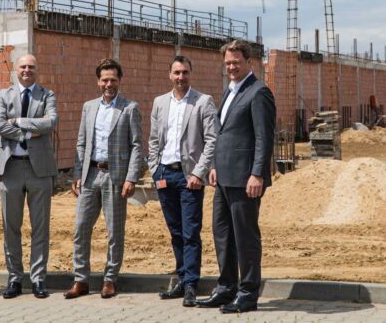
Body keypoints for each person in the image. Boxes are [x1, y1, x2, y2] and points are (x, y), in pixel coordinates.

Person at [196, 39, 275, 314]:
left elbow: (264, 138)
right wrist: (215, 165)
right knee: (223, 235)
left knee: (245, 238)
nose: (231, 67)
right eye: (228, 63)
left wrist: (257, 174)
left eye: (236, 62)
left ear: (249, 62)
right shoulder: (230, 90)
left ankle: (248, 293)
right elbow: (225, 134)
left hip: (245, 179)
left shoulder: (259, 92)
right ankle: (226, 288)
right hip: (224, 177)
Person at [64, 58, 143, 300]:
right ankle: (81, 279)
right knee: (81, 227)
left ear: (120, 81)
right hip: (90, 175)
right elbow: (81, 142)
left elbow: (137, 145)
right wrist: (77, 173)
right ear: (98, 81)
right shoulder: (89, 107)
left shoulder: (129, 108)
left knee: (114, 231)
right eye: (105, 80)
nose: (109, 84)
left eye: (113, 80)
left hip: (115, 176)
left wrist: (131, 178)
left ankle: (110, 279)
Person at [147, 55, 218, 307]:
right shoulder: (159, 103)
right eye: (176, 73)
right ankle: (181, 279)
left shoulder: (203, 102)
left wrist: (199, 173)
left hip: (190, 178)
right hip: (165, 175)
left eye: (185, 72)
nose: (180, 77)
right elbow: (153, 139)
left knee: (190, 233)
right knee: (175, 231)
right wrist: (155, 169)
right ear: (170, 75)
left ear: (190, 74)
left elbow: (212, 140)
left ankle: (190, 285)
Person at [0, 54, 57, 299]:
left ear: (37, 69)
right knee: (11, 227)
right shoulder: (3, 95)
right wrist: (26, 134)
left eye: (31, 66)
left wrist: (18, 121)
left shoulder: (47, 95)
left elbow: (51, 122)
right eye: (23, 66)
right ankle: (15, 278)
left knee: (40, 227)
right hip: (10, 168)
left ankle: (38, 278)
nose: (27, 70)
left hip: (40, 169)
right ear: (15, 70)